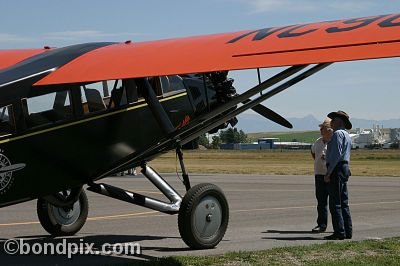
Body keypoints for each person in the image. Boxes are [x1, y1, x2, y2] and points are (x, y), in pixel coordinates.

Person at [324, 111, 353, 240]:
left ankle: (339, 232)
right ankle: (347, 231)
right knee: (344, 202)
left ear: (339, 121)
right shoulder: (347, 135)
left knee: (335, 203)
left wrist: (329, 172)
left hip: (337, 169)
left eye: (333, 119)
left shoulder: (337, 134)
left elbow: (336, 155)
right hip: (344, 168)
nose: (331, 122)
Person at [311, 118, 333, 233]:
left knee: (334, 203)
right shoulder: (318, 141)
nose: (321, 130)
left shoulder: (334, 141)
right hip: (319, 174)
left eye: (323, 128)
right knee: (321, 202)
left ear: (330, 130)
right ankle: (321, 225)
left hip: (331, 175)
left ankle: (338, 226)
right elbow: (313, 153)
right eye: (321, 128)